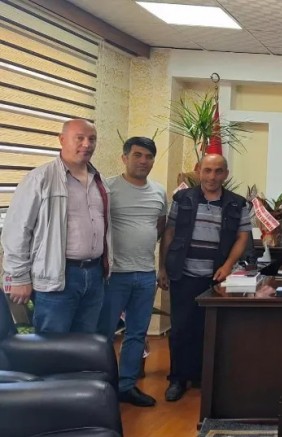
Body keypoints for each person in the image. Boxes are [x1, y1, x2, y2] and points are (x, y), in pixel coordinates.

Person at [2, 119, 111, 333]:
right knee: (52, 345)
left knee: (84, 343)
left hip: (94, 275)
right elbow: (16, 230)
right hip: (57, 276)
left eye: (92, 139)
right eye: (79, 138)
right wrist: (19, 277)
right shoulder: (40, 178)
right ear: (61, 140)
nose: (87, 144)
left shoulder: (100, 181)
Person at [158, 154, 251, 401]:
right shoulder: (183, 199)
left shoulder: (237, 203)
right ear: (199, 171)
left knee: (210, 329)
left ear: (226, 174)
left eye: (218, 171)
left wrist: (228, 266)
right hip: (184, 274)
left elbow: (243, 237)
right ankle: (178, 378)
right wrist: (163, 268)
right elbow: (169, 233)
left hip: (215, 278)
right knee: (181, 329)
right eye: (207, 170)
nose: (212, 176)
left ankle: (203, 376)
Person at [96, 136, 167, 407]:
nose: (143, 161)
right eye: (137, 155)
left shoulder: (159, 191)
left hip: (146, 274)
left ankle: (126, 386)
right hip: (114, 275)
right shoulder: (107, 188)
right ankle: (101, 386)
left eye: (148, 157)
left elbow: (160, 227)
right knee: (104, 334)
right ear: (124, 158)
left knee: (137, 333)